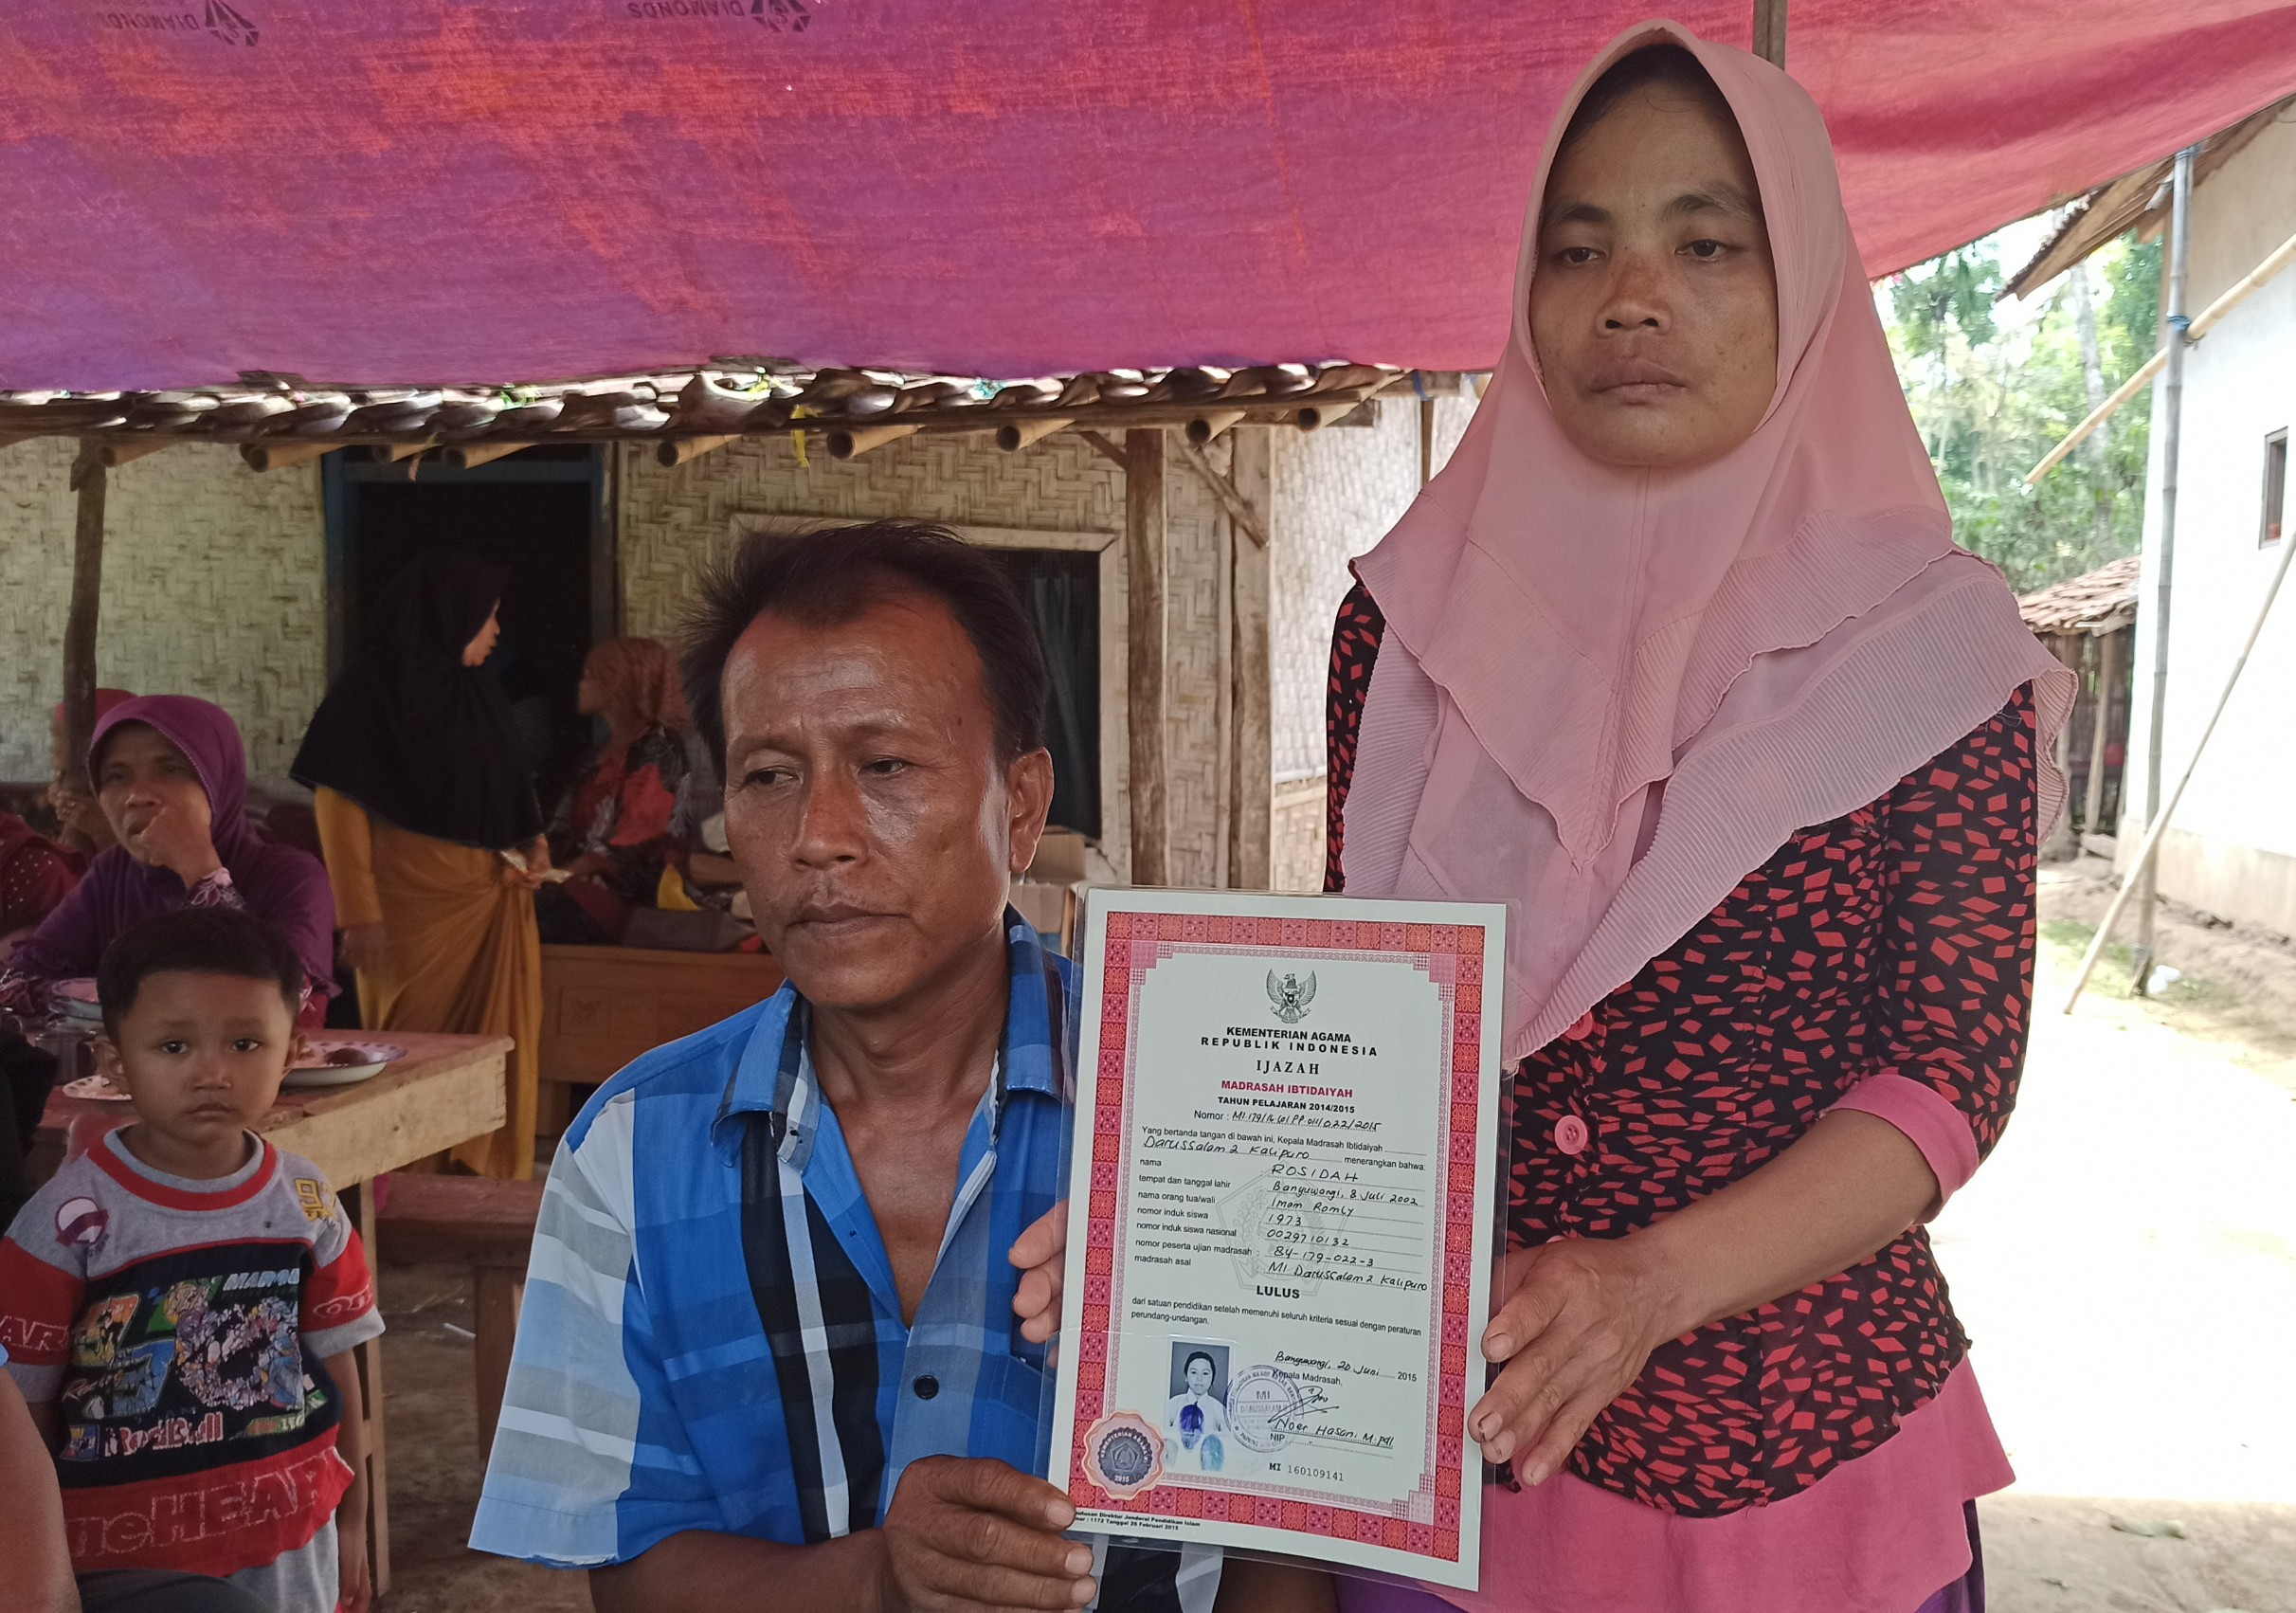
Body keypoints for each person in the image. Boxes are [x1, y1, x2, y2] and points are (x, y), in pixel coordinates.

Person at [1302, 27, 2070, 1613]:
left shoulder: (1927, 650)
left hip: (1799, 1472)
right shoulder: (1405, 630)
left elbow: (1943, 1078)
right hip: (1452, 1454)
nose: (1627, 295)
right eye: (1574, 248)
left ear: (1804, 287)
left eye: (1704, 243)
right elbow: (1366, 1023)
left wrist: (1648, 1283)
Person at [469, 521, 1324, 1613]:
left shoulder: (1211, 1115)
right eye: (770, 774)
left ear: (1016, 805)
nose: (819, 836)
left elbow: (1285, 1547)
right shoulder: (632, 1151)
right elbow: (632, 1570)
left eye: (884, 765)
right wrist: (874, 1580)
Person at [0, 906, 383, 1613]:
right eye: (174, 1047)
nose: (212, 1072)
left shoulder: (307, 1199)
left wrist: (353, 1519)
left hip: (292, 1535)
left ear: (291, 1052)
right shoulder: (64, 1224)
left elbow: (337, 1359)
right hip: (124, 1558)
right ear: (113, 1060)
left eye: (244, 1043)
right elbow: (24, 1408)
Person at [292, 550, 551, 1179]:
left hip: (490, 901)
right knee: (410, 1049)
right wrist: (358, 914)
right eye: (486, 616)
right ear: (448, 617)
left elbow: (507, 793)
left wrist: (531, 845)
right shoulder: (367, 695)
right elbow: (341, 805)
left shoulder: (479, 697)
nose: (494, 631)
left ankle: (482, 1178)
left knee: (496, 1046)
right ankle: (398, 1185)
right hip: (408, 910)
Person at [2, 697, 337, 1031]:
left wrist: (202, 871)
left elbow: (281, 1007)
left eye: (170, 770)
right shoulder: (113, 874)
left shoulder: (292, 876)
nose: (138, 796)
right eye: (117, 776)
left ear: (218, 779)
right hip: (126, 1079)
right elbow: (18, 986)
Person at [537, 636, 694, 944]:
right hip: (574, 882)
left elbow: (634, 844)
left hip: (626, 894)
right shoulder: (596, 755)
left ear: (619, 685)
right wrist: (541, 864)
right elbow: (559, 827)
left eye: (588, 677)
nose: (580, 685)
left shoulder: (658, 750)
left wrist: (564, 874)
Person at [48, 690, 137, 861]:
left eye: (58, 738)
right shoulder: (69, 783)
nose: (53, 748)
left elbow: (138, 872)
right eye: (54, 738)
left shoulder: (139, 793)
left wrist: (100, 829)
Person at [1163, 1352, 1231, 1475]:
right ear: (1186, 1376)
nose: (1199, 1379)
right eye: (1194, 1372)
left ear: (1212, 1378)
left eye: (1205, 1373)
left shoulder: (1220, 1410)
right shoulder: (1173, 1403)